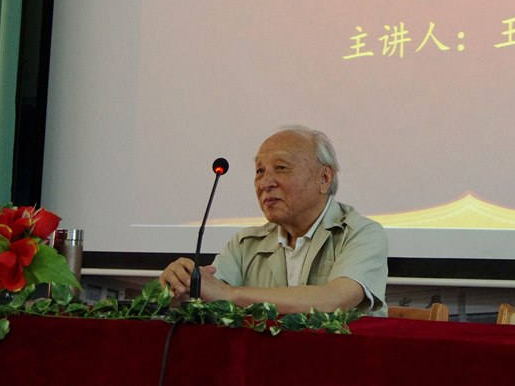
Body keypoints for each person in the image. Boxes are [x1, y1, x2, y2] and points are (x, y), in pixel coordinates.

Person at [160, 125, 388, 316]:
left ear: (324, 177)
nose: (265, 183)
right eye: (260, 171)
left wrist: (230, 294)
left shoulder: (362, 234)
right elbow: (208, 295)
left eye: (281, 168)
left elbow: (335, 299)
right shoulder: (245, 245)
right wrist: (182, 286)